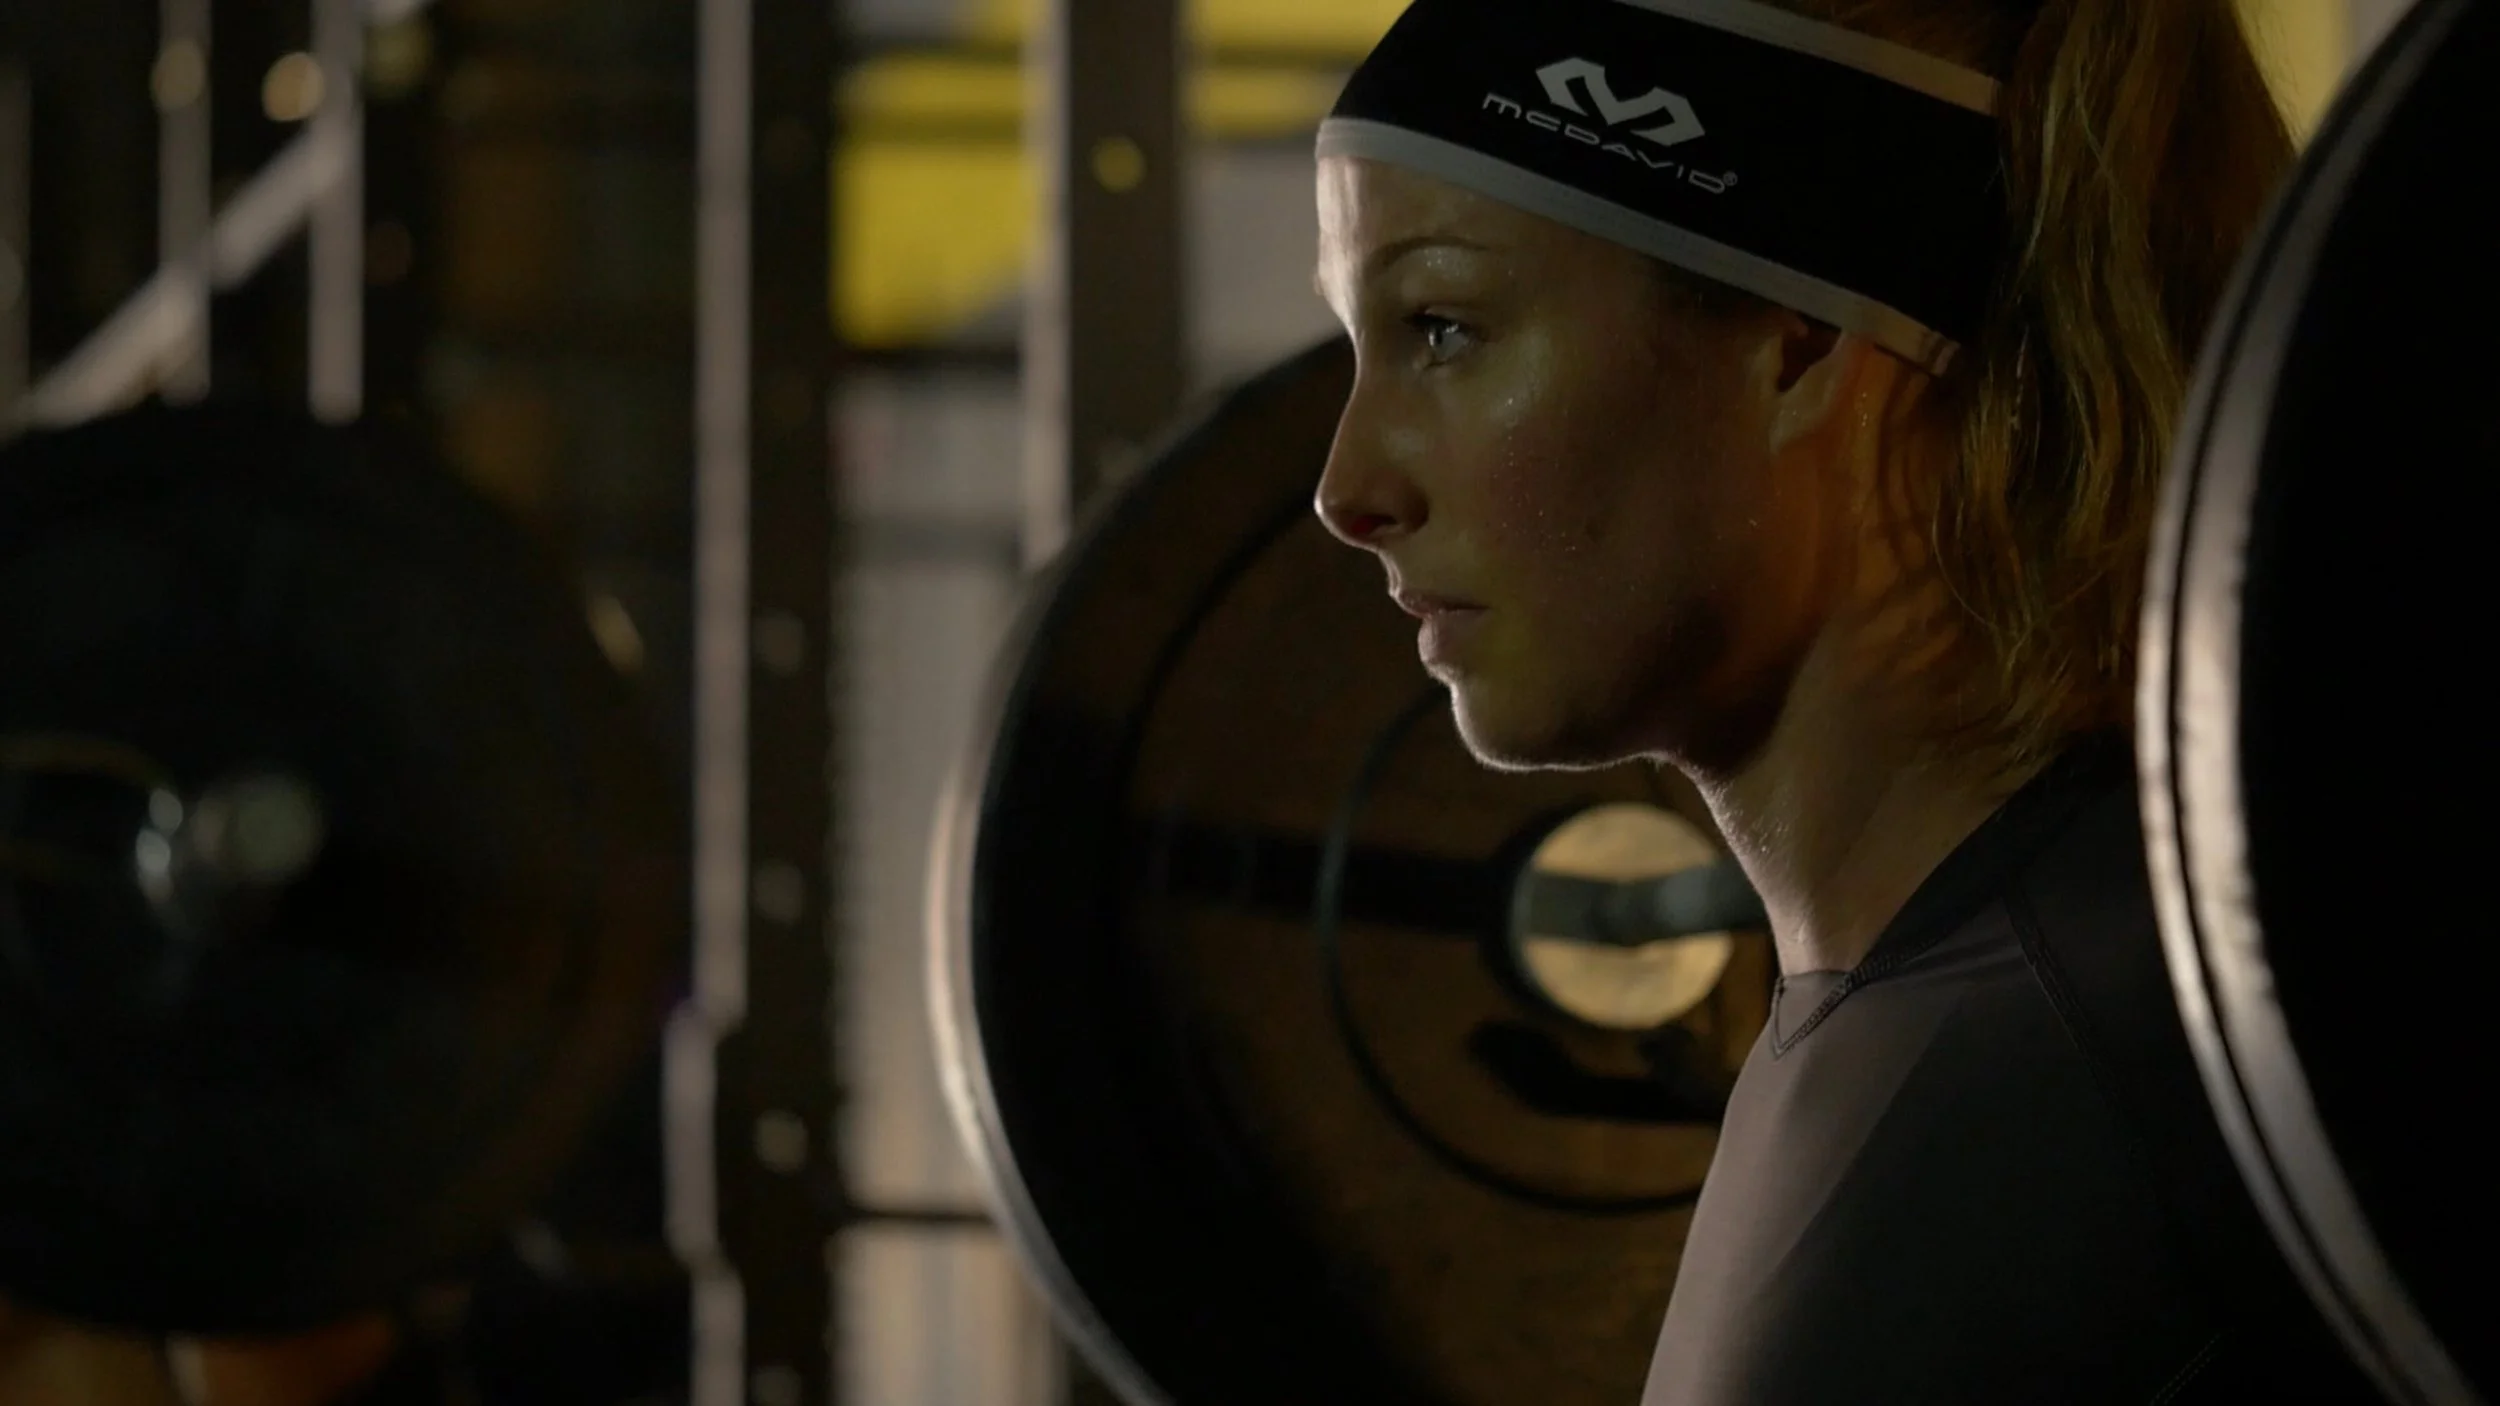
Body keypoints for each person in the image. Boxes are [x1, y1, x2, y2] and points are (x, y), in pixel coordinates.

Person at [1311, 0, 2379, 1400]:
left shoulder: (2030, 1095)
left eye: (1444, 328)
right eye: (1360, 342)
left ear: (1800, 339)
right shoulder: (1988, 991)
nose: (1346, 489)